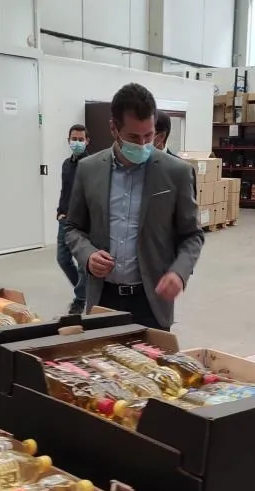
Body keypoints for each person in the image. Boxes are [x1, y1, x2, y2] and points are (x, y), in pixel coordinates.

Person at [65, 83, 204, 330]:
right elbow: (73, 227)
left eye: (148, 136)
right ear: (113, 128)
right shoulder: (89, 169)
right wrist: (87, 255)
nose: (142, 145)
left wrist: (179, 272)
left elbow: (192, 235)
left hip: (151, 302)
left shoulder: (177, 172)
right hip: (103, 299)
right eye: (133, 137)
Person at [57, 124, 89, 314]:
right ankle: (84, 291)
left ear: (87, 141)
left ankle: (80, 299)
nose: (77, 142)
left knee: (83, 264)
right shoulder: (66, 164)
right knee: (63, 259)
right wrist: (59, 212)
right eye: (74, 139)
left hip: (83, 223)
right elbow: (65, 191)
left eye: (80, 139)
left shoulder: (91, 165)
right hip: (65, 219)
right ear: (68, 140)